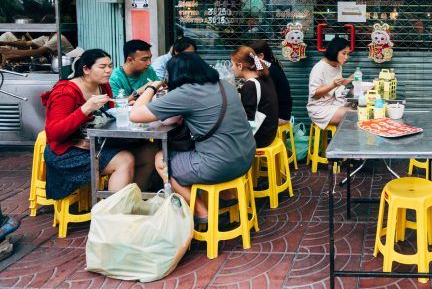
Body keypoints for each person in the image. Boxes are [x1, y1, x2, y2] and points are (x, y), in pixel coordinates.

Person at [129, 53, 256, 223]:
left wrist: (151, 87)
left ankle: (202, 212)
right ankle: (227, 195)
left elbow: (135, 115)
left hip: (220, 164)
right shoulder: (225, 85)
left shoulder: (186, 92)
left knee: (161, 159)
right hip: (245, 157)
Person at [40, 49, 156, 200]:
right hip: (67, 152)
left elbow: (109, 115)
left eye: (110, 66)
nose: (108, 71)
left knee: (149, 151)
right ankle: (112, 214)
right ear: (86, 69)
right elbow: (54, 133)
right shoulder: (65, 92)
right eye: (102, 67)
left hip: (99, 143)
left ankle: (133, 201)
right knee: (125, 159)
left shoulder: (103, 86)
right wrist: (85, 109)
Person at [231, 46, 279, 148]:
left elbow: (247, 118)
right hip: (269, 133)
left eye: (232, 65)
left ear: (240, 66)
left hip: (259, 137)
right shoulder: (264, 78)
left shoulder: (250, 85)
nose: (232, 68)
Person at [307, 37, 354, 129]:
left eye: (347, 54)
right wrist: (332, 85)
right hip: (320, 109)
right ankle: (341, 142)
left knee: (360, 105)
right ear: (334, 51)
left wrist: (349, 79)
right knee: (355, 114)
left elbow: (337, 87)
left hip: (333, 102)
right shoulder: (319, 68)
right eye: (344, 53)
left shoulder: (338, 66)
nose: (346, 57)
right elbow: (314, 94)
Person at [250, 39, 292, 124]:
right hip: (280, 112)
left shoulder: (269, 71)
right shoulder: (271, 66)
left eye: (252, 57)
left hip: (279, 115)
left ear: (261, 56)